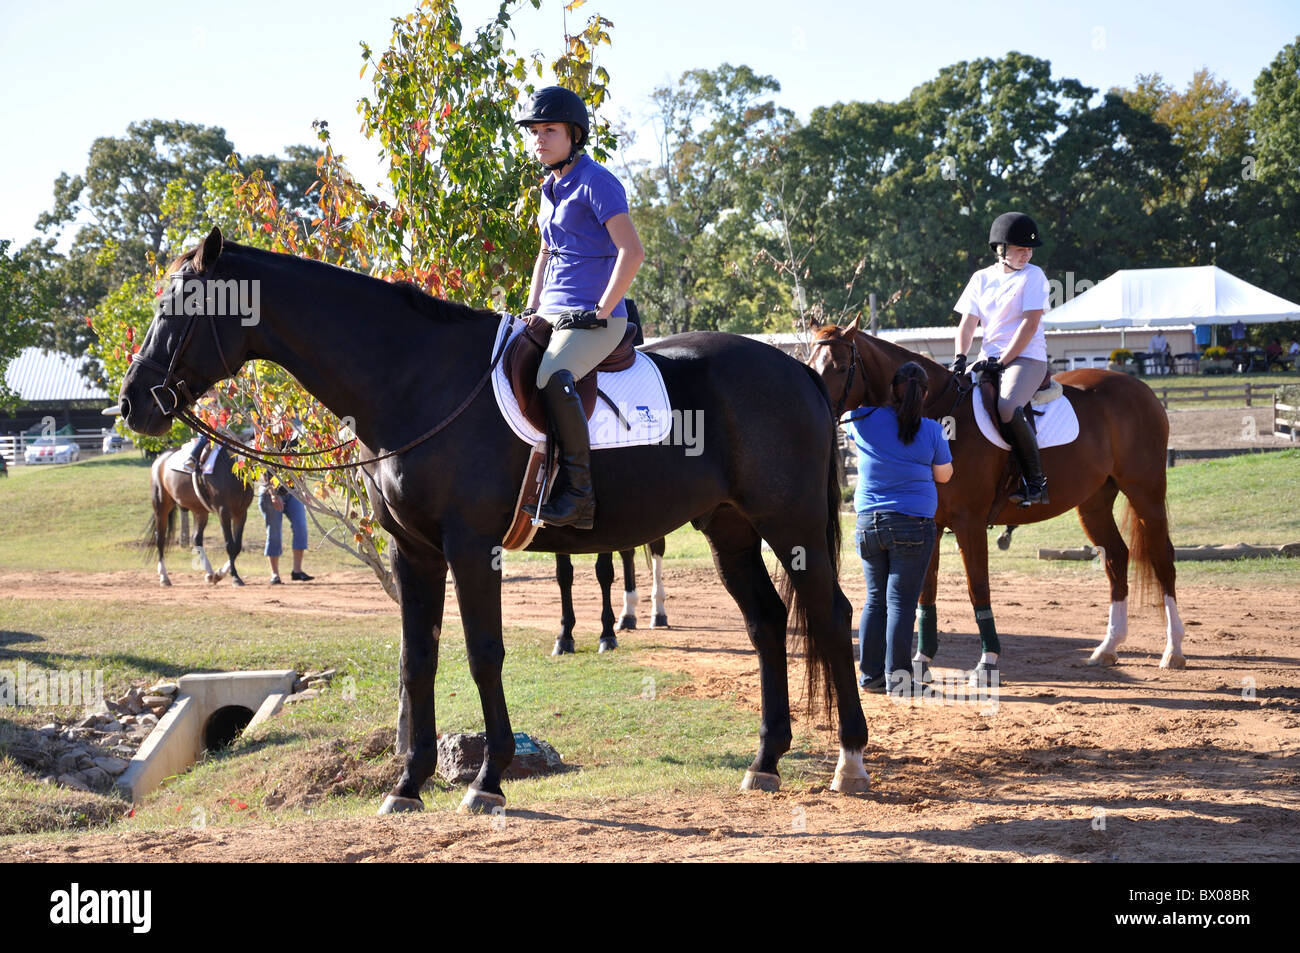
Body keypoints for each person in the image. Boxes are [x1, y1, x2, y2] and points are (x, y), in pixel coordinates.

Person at [514, 86, 645, 530]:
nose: (539, 138)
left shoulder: (598, 182)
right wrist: (530, 309)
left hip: (594, 316)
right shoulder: (549, 188)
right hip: (551, 313)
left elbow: (633, 252)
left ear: (574, 134)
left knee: (552, 375)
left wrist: (602, 309)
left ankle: (579, 497)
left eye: (549, 130)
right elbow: (546, 254)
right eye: (534, 131)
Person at [846, 362, 953, 694]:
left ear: (893, 389)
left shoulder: (864, 420)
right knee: (901, 605)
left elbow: (851, 420)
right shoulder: (933, 430)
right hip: (912, 524)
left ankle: (871, 677)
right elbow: (944, 475)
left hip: (868, 524)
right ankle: (900, 680)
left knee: (875, 600)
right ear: (923, 394)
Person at [952, 212, 1052, 505]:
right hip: (987, 358)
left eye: (1030, 249)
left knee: (1007, 406)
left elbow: (1030, 324)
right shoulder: (980, 278)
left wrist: (1002, 361)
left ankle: (1037, 482)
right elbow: (968, 324)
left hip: (1027, 358)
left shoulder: (1034, 276)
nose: (1027, 255)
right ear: (1001, 250)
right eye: (1021, 249)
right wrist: (960, 357)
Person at [259, 473, 311, 584]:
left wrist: (304, 489)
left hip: (292, 491)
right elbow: (264, 469)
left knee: (300, 527)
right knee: (274, 532)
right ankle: (275, 574)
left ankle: (297, 571)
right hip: (269, 492)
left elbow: (299, 466)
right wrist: (273, 494)